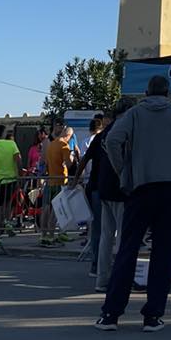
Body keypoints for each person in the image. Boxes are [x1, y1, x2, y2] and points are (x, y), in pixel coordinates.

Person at [97, 75, 171, 332]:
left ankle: (111, 314)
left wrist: (123, 170)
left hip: (140, 188)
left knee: (128, 249)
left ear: (147, 93)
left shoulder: (134, 114)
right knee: (164, 252)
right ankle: (152, 316)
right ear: (169, 93)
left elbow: (113, 140)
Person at [94, 100, 132, 293]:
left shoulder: (105, 133)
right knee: (123, 236)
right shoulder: (124, 130)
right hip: (119, 188)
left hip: (104, 188)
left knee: (106, 236)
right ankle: (120, 278)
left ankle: (102, 278)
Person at [74, 113, 110, 269]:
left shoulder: (95, 139)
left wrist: (76, 180)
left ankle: (98, 263)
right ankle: (100, 263)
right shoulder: (106, 137)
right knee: (105, 228)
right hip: (105, 187)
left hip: (94, 185)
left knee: (98, 227)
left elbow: (83, 159)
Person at [41, 126, 77, 245]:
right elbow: (69, 164)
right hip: (60, 181)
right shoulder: (64, 146)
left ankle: (44, 235)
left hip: (50, 179)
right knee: (56, 210)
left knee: (46, 208)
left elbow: (45, 161)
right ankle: (51, 236)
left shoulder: (52, 144)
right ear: (69, 136)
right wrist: (72, 156)